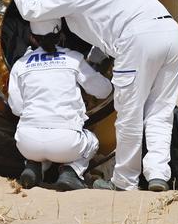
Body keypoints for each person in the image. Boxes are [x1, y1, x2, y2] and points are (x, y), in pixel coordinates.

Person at [1, 0, 178, 192]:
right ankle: (158, 174)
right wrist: (90, 66)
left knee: (129, 113)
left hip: (138, 39)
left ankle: (124, 181)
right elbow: (103, 34)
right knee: (160, 111)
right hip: (172, 34)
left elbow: (31, 10)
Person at [8, 18, 113, 191]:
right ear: (61, 35)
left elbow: (17, 108)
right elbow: (103, 91)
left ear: (32, 38)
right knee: (92, 141)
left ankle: (33, 167)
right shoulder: (74, 59)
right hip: (66, 143)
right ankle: (71, 173)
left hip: (27, 144)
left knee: (37, 140)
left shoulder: (20, 64)